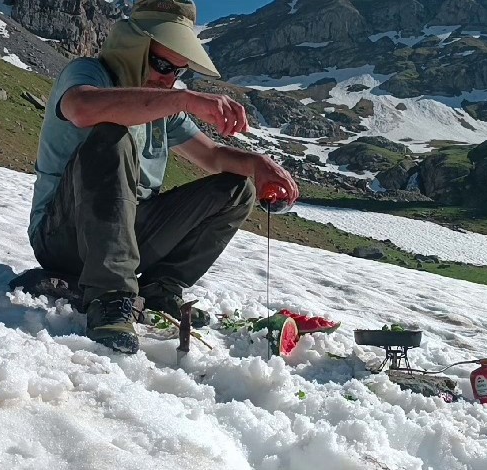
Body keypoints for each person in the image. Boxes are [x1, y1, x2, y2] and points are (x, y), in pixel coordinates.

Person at [28, 0, 298, 354]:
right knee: (111, 134)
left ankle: (160, 289)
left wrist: (259, 163)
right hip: (61, 236)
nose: (169, 78)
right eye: (161, 64)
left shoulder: (163, 103)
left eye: (178, 71)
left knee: (236, 189)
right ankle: (111, 297)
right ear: (134, 48)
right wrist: (184, 101)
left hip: (128, 233)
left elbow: (214, 156)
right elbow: (82, 108)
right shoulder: (89, 73)